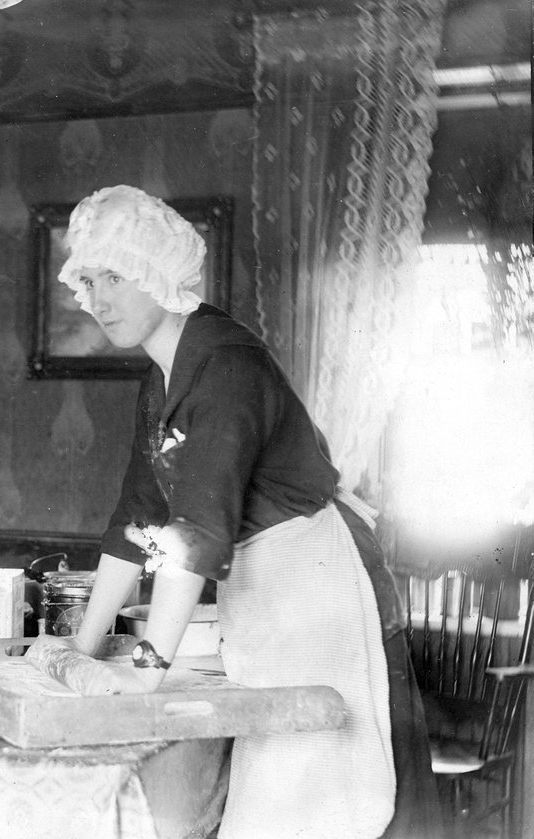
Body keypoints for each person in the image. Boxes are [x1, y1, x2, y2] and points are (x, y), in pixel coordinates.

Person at [28, 186, 442, 839]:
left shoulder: (225, 365)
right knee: (268, 785)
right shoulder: (160, 377)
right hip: (260, 583)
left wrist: (142, 672)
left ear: (159, 274)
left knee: (318, 789)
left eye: (117, 276)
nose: (99, 298)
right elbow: (136, 521)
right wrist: (75, 647)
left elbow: (194, 534)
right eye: (89, 278)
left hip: (317, 580)